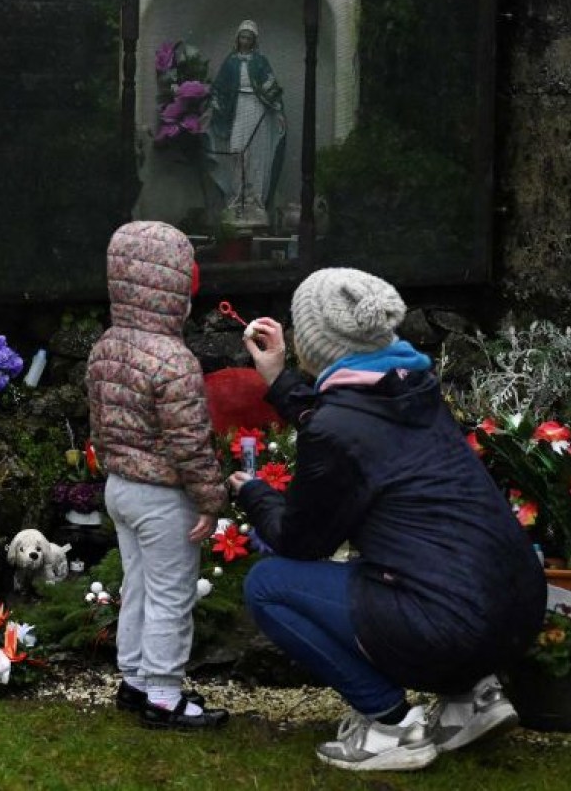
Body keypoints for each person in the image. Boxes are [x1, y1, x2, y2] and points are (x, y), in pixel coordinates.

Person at [227, 268, 547, 771]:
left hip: (449, 627)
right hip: (519, 609)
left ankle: (390, 725)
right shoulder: (413, 385)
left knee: (268, 584)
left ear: (315, 341)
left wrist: (256, 493)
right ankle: (471, 700)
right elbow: (347, 424)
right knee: (425, 570)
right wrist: (279, 379)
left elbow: (299, 540)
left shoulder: (338, 428)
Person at [85, 220, 230, 730]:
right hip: (164, 496)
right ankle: (164, 696)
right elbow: (190, 445)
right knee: (172, 594)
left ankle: (135, 680)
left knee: (139, 586)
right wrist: (212, 499)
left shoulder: (107, 345)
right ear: (174, 288)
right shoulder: (174, 361)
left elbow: (99, 425)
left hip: (119, 487)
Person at [208, 19, 287, 228]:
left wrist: (278, 111)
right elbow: (219, 89)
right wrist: (212, 109)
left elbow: (271, 87)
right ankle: (236, 196)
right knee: (237, 149)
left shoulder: (260, 61)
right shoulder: (231, 62)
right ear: (237, 39)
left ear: (254, 41)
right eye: (242, 37)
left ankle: (254, 199)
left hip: (256, 106)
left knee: (256, 153)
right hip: (237, 107)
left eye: (249, 38)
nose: (245, 41)